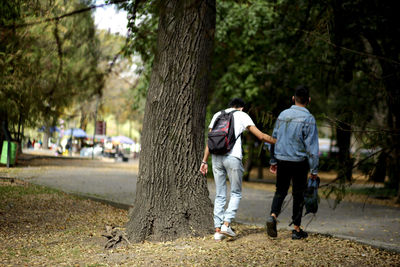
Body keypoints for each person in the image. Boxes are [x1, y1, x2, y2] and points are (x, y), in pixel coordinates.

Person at [200, 98, 276, 241]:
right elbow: (260, 136)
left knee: (220, 194)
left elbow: (210, 141)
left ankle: (218, 230)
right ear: (241, 108)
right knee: (236, 192)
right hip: (232, 158)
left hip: (216, 158)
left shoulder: (217, 115)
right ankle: (226, 224)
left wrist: (204, 161)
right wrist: (277, 141)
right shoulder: (242, 115)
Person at [266, 85, 319, 240]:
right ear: (308, 100)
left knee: (280, 191)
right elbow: (312, 147)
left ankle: (273, 216)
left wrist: (273, 160)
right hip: (299, 162)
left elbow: (273, 139)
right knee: (298, 195)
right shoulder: (309, 118)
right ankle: (296, 229)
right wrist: (314, 170)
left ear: (293, 98)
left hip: (282, 160)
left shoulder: (283, 114)